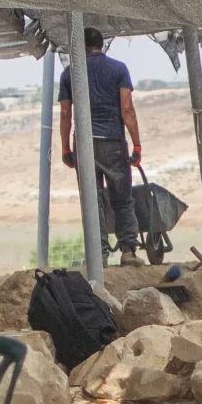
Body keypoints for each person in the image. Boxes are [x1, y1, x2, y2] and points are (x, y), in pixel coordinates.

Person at [58, 27, 145, 267]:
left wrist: (66, 148)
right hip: (113, 142)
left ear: (80, 47)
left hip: (85, 144)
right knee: (123, 198)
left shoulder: (70, 74)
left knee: (92, 200)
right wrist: (136, 144)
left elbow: (66, 112)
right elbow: (127, 109)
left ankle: (100, 255)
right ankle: (128, 251)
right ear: (102, 44)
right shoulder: (118, 69)